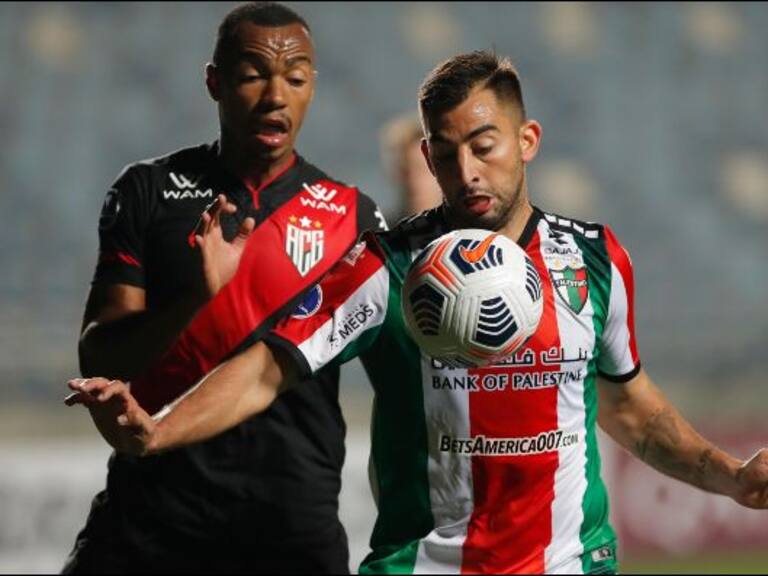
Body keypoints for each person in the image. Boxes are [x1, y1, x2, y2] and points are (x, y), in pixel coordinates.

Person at [68, 51, 768, 574]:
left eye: (484, 147)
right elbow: (264, 372)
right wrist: (156, 433)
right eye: (447, 150)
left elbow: (630, 407)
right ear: (428, 155)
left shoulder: (595, 259)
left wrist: (732, 478)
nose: (466, 170)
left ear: (527, 142)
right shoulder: (385, 265)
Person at [65, 2, 386, 574]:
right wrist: (194, 297)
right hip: (153, 516)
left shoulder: (353, 218)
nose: (275, 96)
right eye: (252, 75)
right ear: (215, 81)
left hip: (289, 526)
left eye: (295, 77)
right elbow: (100, 354)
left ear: (313, 85)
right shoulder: (147, 191)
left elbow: (401, 372)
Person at [380, 113, 443, 223]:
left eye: (422, 169)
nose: (413, 181)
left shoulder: (473, 232)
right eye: (405, 170)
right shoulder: (376, 235)